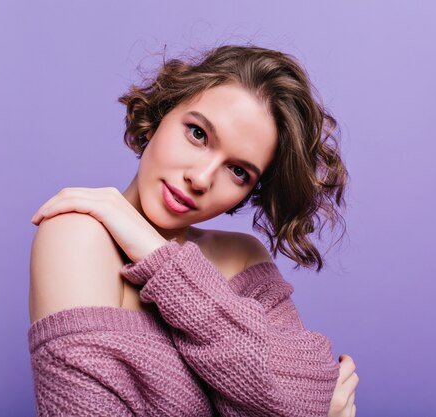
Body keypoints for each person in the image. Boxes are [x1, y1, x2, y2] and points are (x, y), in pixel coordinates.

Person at [27, 44, 358, 416]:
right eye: (198, 133)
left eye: (238, 172)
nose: (200, 179)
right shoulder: (79, 235)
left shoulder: (243, 258)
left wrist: (160, 259)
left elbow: (302, 400)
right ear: (162, 113)